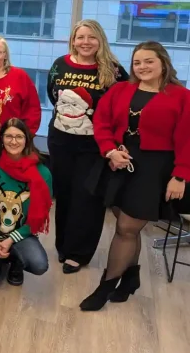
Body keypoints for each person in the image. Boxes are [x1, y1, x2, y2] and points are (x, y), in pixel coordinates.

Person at [81, 42, 190, 311]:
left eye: (148, 61)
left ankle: (106, 286)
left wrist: (180, 176)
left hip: (155, 169)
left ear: (163, 62)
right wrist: (109, 151)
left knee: (126, 228)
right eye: (137, 62)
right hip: (119, 163)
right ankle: (130, 279)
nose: (142, 67)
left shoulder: (182, 96)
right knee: (126, 224)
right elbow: (101, 121)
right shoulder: (121, 89)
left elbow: (188, 139)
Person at [47, 19, 127, 274]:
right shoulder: (60, 64)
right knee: (65, 195)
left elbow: (124, 107)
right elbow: (52, 95)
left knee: (88, 197)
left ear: (100, 40)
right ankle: (63, 245)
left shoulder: (113, 70)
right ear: (73, 40)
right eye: (80, 37)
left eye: (91, 37)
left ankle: (78, 253)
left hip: (95, 146)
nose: (85, 42)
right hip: (60, 141)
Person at [0, 118, 52, 292]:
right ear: (1, 139)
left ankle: (15, 262)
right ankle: (0, 258)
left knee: (39, 264)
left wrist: (9, 240)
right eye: (8, 136)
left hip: (20, 234)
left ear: (27, 139)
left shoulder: (43, 173)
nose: (13, 141)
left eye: (19, 137)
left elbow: (38, 216)